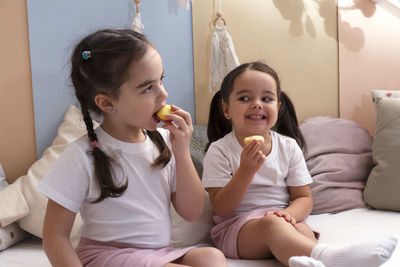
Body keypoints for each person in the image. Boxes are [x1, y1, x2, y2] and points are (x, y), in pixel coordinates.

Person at [38, 29, 227, 267]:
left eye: (161, 80)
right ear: (107, 103)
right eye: (148, 88)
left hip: (156, 254)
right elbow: (54, 235)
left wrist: (182, 151)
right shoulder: (82, 155)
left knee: (212, 257)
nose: (164, 94)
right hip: (106, 257)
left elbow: (192, 211)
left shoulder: (164, 141)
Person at [202, 61, 397, 267]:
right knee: (272, 224)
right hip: (237, 230)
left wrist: (289, 214)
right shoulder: (220, 150)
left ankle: (309, 262)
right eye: (244, 98)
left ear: (277, 107)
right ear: (226, 109)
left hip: (283, 220)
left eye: (266, 98)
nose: (257, 103)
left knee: (304, 230)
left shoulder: (288, 146)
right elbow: (222, 208)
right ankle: (334, 258)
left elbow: (303, 198)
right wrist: (246, 171)